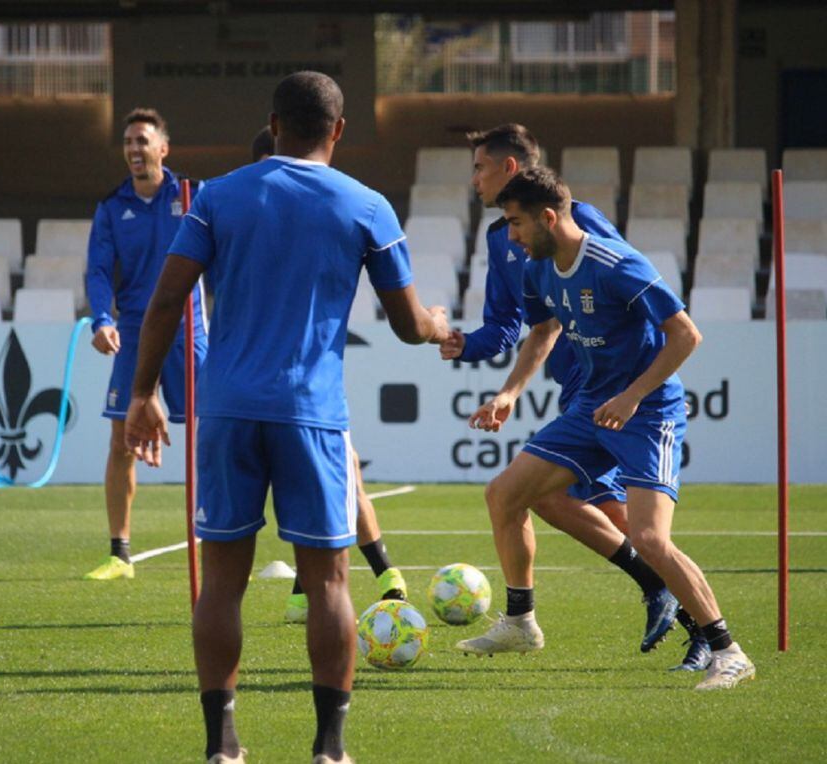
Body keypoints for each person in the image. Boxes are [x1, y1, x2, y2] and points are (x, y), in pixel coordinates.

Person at [126, 72, 450, 764]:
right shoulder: (367, 206)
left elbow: (164, 303)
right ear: (338, 130)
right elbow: (405, 325)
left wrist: (142, 394)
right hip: (312, 416)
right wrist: (436, 323)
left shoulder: (217, 196)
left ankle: (223, 746)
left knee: (222, 581)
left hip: (228, 410)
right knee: (330, 582)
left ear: (273, 124)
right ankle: (330, 750)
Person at [463, 166, 754, 691]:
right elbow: (543, 333)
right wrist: (509, 392)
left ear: (549, 217)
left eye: (516, 223)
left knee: (648, 537)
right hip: (591, 408)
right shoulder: (538, 268)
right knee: (506, 494)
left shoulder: (617, 263)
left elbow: (686, 335)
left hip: (647, 412)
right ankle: (520, 623)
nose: (511, 236)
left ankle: (727, 650)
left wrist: (633, 395)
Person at [439, 123, 707, 670]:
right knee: (549, 500)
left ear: (509, 170)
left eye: (479, 167)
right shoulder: (501, 238)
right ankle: (660, 602)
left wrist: (632, 392)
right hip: (579, 395)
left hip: (613, 395)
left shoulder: (577, 225)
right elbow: (514, 327)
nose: (473, 179)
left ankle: (702, 629)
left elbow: (637, 302)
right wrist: (468, 350)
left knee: (618, 520)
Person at [251, 125, 409, 623]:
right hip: (273, 391)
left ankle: (383, 577)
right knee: (310, 488)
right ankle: (328, 584)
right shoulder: (256, 227)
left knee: (341, 480)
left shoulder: (314, 218)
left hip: (303, 389)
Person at [83, 107, 208, 581]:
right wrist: (100, 319)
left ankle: (220, 534)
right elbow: (97, 270)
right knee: (121, 440)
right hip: (134, 329)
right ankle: (120, 553)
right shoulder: (112, 207)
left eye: (143, 140)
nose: (134, 149)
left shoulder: (193, 196)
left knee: (213, 432)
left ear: (163, 148)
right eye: (129, 142)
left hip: (188, 329)